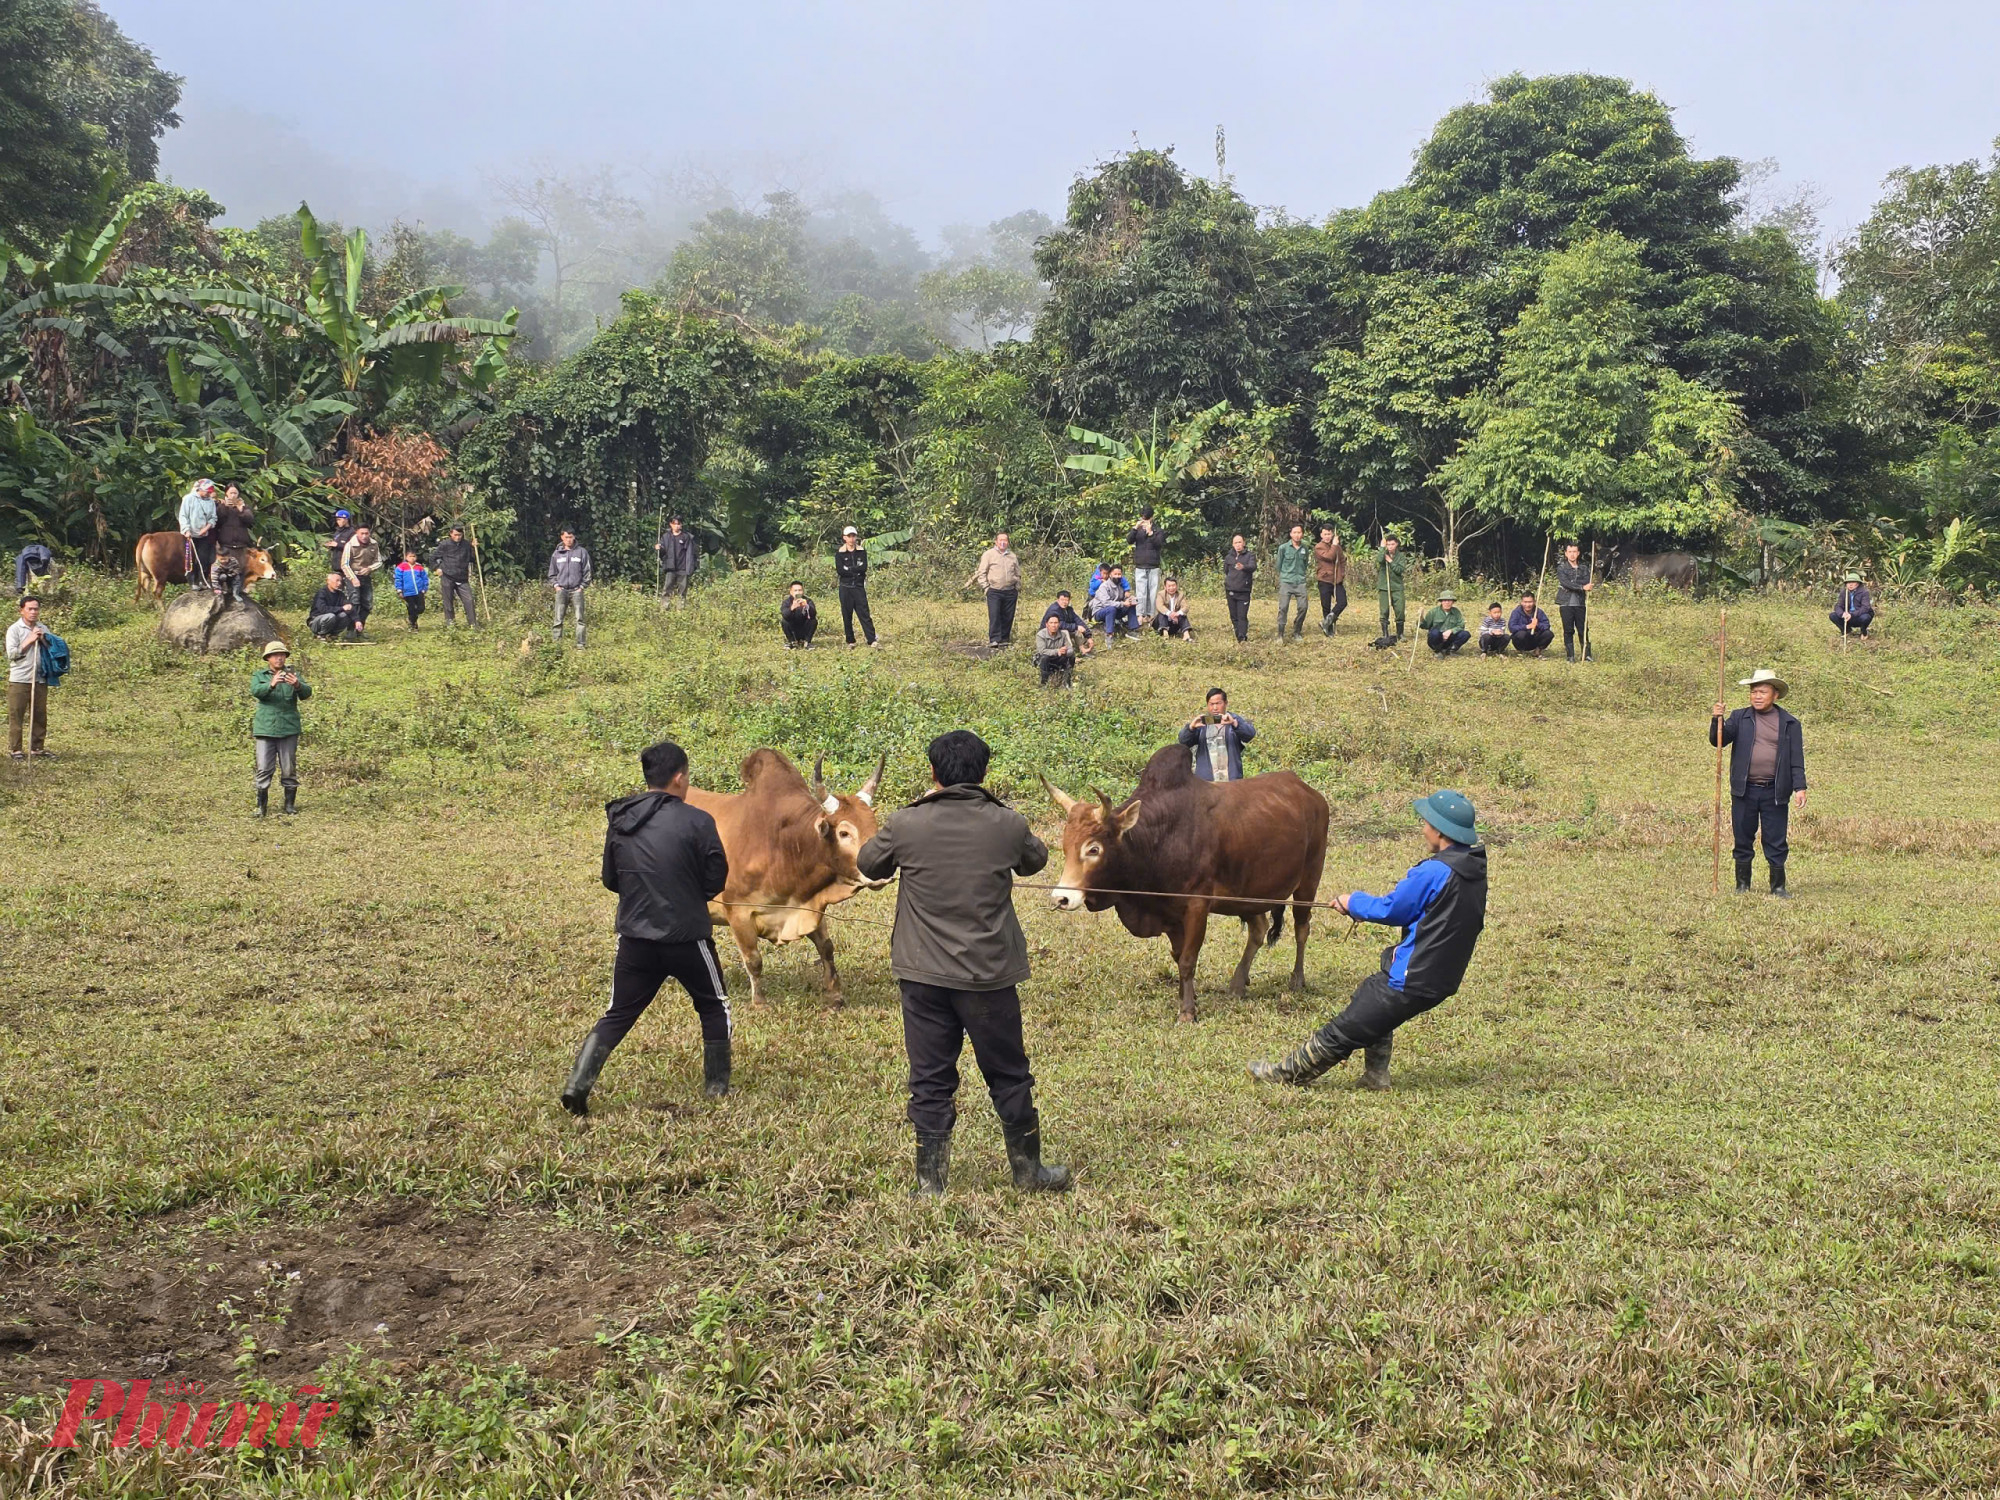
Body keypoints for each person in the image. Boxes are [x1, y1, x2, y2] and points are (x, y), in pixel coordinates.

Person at [856, 729, 1070, 1196]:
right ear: (984, 772)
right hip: (989, 975)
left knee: (930, 1077)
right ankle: (1029, 1172)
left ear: (933, 773)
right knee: (1009, 1072)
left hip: (922, 975)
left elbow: (869, 864)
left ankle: (930, 1183)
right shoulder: (1007, 822)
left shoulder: (906, 823)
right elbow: (1034, 860)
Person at [1249, 790, 1487, 1092]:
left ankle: (1285, 1075)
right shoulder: (1473, 867)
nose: (1423, 828)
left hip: (1415, 975)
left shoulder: (1435, 871)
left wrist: (1352, 902)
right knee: (1372, 997)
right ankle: (1375, 1076)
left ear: (1439, 830)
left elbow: (1393, 910)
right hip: (1444, 975)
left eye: (1426, 822)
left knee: (1346, 1028)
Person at [561, 740, 733, 1116]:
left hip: (635, 939)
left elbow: (610, 878)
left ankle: (577, 1084)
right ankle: (716, 1087)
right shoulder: (699, 821)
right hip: (687, 938)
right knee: (713, 1004)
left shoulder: (621, 819)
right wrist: (687, 894)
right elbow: (716, 878)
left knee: (618, 1012)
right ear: (680, 776)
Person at [1711, 669, 1807, 898]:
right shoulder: (1739, 717)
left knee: (1775, 838)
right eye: (1754, 692)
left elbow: (1796, 757)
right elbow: (1718, 741)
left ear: (1775, 695)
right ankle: (1742, 885)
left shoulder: (1789, 723)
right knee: (1742, 837)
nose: (1757, 696)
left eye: (1762, 692)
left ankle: (1778, 886)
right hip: (1744, 790)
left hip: (1775, 791)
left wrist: (1800, 787)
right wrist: (1717, 719)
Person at [249, 641, 309, 817]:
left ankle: (289, 805)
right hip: (265, 729)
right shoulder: (260, 675)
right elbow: (256, 691)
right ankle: (261, 806)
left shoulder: (293, 674)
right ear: (268, 658)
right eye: (275, 655)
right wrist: (271, 684)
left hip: (288, 728)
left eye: (282, 654)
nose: (279, 658)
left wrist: (298, 685)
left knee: (289, 768)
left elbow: (307, 693)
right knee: (264, 768)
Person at [7, 596, 52, 760]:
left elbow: (51, 650)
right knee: (17, 714)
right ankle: (16, 749)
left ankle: (37, 748)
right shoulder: (14, 630)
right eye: (30, 609)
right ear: (22, 610)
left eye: (36, 609)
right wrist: (29, 640)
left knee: (39, 714)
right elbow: (12, 654)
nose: (33, 612)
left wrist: (43, 639)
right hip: (20, 679)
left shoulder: (42, 627)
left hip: (39, 678)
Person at [1178, 687, 1256, 782]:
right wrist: (1191, 728)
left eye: (1218, 703)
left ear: (1226, 703)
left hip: (1231, 781)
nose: (1215, 708)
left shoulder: (1234, 719)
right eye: (1211, 704)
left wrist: (1235, 724)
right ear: (1207, 705)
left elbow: (1249, 735)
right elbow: (1183, 741)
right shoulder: (1202, 723)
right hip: (1207, 782)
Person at [966, 532, 1021, 648]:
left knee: (1008, 615)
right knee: (995, 615)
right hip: (994, 590)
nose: (1003, 542)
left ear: (1008, 542)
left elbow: (1017, 572)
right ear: (996, 542)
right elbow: (982, 572)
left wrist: (1017, 586)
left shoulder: (1012, 556)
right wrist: (986, 587)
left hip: (1010, 591)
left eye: (1005, 540)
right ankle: (995, 639)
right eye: (1000, 540)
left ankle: (1005, 639)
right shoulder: (989, 554)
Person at [834, 526, 880, 646]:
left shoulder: (861, 552)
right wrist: (855, 570)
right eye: (849, 536)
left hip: (858, 587)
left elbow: (863, 568)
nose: (851, 538)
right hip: (845, 588)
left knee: (864, 613)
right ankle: (850, 640)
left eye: (853, 536)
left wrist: (849, 569)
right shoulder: (839, 554)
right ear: (844, 538)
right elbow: (840, 571)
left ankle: (871, 639)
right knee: (847, 614)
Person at [548, 528, 592, 646]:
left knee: (580, 619)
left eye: (571, 537)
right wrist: (556, 586)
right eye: (566, 537)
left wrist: (582, 587)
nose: (569, 540)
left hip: (577, 590)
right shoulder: (556, 554)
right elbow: (551, 574)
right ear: (562, 537)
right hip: (561, 590)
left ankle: (580, 646)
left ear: (574, 537)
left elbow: (587, 572)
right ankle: (556, 646)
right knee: (558, 619)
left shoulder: (582, 552)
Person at [212, 484, 255, 600]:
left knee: (240, 568)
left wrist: (241, 509)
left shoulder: (244, 506)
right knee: (224, 568)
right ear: (226, 494)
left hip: (241, 544)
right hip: (227, 543)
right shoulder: (221, 505)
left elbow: (250, 520)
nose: (233, 495)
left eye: (235, 493)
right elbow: (218, 519)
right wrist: (225, 506)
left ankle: (238, 591)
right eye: (231, 493)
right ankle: (225, 591)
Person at [429, 524, 477, 627]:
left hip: (462, 577)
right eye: (455, 535)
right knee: (448, 601)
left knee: (469, 600)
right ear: (451, 534)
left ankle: (473, 624)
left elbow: (472, 559)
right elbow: (432, 558)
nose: (457, 537)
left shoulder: (466, 544)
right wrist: (437, 568)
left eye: (459, 535)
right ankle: (450, 624)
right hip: (447, 576)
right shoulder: (444, 545)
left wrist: (473, 548)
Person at [178, 478, 219, 590]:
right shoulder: (188, 499)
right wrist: (186, 530)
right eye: (206, 491)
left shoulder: (210, 502)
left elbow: (213, 518)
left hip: (203, 535)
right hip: (190, 535)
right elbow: (183, 516)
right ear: (199, 489)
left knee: (203, 558)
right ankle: (192, 582)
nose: (208, 494)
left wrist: (206, 528)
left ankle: (202, 580)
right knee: (190, 559)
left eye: (210, 492)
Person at [1555, 542, 1594, 662]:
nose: (1572, 555)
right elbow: (1565, 583)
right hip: (1565, 603)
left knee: (1583, 629)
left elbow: (1587, 580)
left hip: (1580, 603)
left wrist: (1577, 584)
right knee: (1568, 630)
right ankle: (1570, 656)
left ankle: (1586, 654)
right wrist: (1581, 587)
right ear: (1566, 554)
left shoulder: (1584, 568)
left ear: (1578, 553)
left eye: (1574, 552)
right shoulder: (1561, 568)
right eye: (1570, 552)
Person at [341, 525, 384, 626]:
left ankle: (360, 628)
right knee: (354, 602)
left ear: (369, 533)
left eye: (366, 533)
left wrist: (370, 568)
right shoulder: (350, 545)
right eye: (362, 534)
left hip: (366, 576)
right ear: (357, 533)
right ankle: (351, 628)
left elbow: (379, 561)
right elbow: (344, 564)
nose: (364, 536)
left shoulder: (374, 544)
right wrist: (353, 578)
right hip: (352, 576)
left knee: (367, 604)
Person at [1275, 523, 1312, 641]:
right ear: (1291, 534)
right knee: (1283, 607)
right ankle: (1280, 634)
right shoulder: (1283, 548)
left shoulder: (1305, 548)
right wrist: (1283, 577)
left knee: (1303, 607)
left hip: (1300, 581)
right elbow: (1278, 565)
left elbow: (1305, 564)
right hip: (1286, 581)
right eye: (1294, 532)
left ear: (1302, 534)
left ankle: (1297, 631)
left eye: (1299, 532)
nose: (1297, 535)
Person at [1128, 507, 1164, 624]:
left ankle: (1151, 614)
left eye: (1147, 518)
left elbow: (1159, 544)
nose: (1145, 520)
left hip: (1154, 565)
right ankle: (1140, 614)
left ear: (1152, 518)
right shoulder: (1137, 530)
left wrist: (1150, 533)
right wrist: (1135, 528)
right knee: (1141, 592)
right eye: (1143, 517)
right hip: (1140, 565)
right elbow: (1129, 540)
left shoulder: (1158, 530)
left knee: (1153, 592)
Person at [656, 516, 701, 606]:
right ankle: (664, 608)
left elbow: (690, 553)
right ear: (671, 525)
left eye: (678, 524)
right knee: (667, 589)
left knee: (682, 591)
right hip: (670, 567)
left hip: (683, 568)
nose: (676, 526)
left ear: (681, 525)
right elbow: (662, 552)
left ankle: (680, 610)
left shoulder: (686, 537)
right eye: (674, 524)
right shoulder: (666, 537)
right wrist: (659, 548)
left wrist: (689, 568)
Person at [1373, 534, 1408, 648]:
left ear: (1397, 544)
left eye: (1392, 544)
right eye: (1388, 544)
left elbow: (1400, 570)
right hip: (1384, 587)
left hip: (1397, 587)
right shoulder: (1383, 553)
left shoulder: (1401, 556)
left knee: (1400, 610)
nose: (1390, 546)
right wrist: (1382, 548)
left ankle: (1400, 633)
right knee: (1384, 611)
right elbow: (1378, 560)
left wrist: (1391, 561)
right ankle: (1385, 633)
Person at [1313, 525, 1347, 636]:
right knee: (1326, 605)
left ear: (1332, 534)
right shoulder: (1319, 547)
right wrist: (1334, 545)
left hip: (1337, 580)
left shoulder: (1337, 547)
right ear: (1321, 535)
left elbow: (1342, 560)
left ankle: (1325, 622)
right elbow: (1329, 557)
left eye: (1329, 534)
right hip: (1324, 579)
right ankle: (1329, 630)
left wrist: (1341, 574)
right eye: (1325, 534)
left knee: (1342, 602)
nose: (1327, 536)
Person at [1091, 565, 1140, 640]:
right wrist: (1123, 603)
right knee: (1111, 609)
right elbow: (1106, 603)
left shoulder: (1120, 585)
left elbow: (1122, 598)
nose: (1117, 576)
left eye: (1119, 574)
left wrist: (1130, 599)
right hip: (1100, 611)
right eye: (1115, 574)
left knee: (1130, 605)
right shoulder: (1104, 586)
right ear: (1110, 574)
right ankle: (1109, 634)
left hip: (1115, 609)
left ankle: (1133, 630)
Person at [1223, 534, 1257, 643]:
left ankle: (1242, 637)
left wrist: (1243, 567)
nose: (1238, 545)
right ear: (1233, 544)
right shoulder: (1229, 557)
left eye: (1239, 542)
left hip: (1243, 590)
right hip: (1230, 590)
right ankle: (1238, 634)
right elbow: (1226, 570)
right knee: (1234, 616)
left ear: (1244, 543)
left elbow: (1253, 567)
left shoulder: (1249, 556)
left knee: (1242, 615)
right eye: (1235, 543)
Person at [307, 573, 361, 640]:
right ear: (328, 581)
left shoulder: (340, 594)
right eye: (337, 581)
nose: (339, 583)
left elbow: (349, 607)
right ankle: (321, 635)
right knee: (330, 616)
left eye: (340, 581)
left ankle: (332, 635)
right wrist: (341, 608)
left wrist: (357, 620)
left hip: (331, 620)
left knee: (345, 615)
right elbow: (323, 609)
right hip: (316, 621)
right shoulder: (321, 593)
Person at [1042, 590, 1095, 655]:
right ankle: (1070, 654)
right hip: (1049, 632)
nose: (1064, 602)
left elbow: (1078, 620)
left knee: (1077, 631)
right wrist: (1076, 627)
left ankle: (1083, 650)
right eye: (1062, 600)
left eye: (1066, 600)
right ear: (1057, 600)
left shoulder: (1069, 609)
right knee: (1065, 632)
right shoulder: (1054, 610)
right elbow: (1059, 625)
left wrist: (1088, 636)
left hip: (1059, 631)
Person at [1032, 612, 1077, 687]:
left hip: (1058, 658)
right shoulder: (1041, 635)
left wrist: (1064, 652)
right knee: (1044, 657)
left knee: (1071, 656)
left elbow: (1070, 649)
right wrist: (1057, 651)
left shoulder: (1063, 634)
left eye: (1056, 623)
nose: (1053, 625)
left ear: (1059, 624)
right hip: (1046, 659)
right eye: (1051, 623)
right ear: (1047, 624)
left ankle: (1067, 680)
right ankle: (1044, 682)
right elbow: (1042, 651)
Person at [392, 550, 429, 629]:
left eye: (414, 556)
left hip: (419, 591)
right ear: (406, 557)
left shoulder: (419, 567)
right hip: (408, 592)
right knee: (411, 609)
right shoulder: (401, 567)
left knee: (421, 608)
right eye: (410, 556)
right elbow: (398, 579)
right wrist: (399, 590)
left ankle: (413, 619)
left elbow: (425, 578)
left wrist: (424, 588)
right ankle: (413, 624)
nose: (412, 558)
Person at [1831, 573, 1873, 638]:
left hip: (1859, 616)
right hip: (1847, 617)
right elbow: (1838, 606)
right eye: (1848, 582)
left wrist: (1852, 614)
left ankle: (1864, 632)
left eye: (1853, 582)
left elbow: (1865, 607)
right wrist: (1843, 614)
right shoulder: (1844, 592)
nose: (1850, 584)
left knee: (1866, 617)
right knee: (1833, 615)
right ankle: (1846, 631)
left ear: (1858, 583)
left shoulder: (1864, 592)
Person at [780, 580, 819, 648]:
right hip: (793, 629)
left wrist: (807, 606)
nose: (798, 592)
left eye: (800, 590)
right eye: (795, 590)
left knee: (813, 621)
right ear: (791, 592)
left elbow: (813, 614)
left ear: (803, 591)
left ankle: (807, 642)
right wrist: (792, 608)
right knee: (784, 621)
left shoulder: (808, 600)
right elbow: (785, 615)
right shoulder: (786, 602)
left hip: (804, 628)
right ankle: (792, 642)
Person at [325, 509, 356, 577]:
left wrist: (338, 545)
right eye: (337, 520)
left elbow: (353, 548)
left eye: (339, 519)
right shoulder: (338, 532)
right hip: (336, 565)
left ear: (346, 519)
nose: (337, 521)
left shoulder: (352, 532)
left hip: (347, 567)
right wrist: (331, 546)